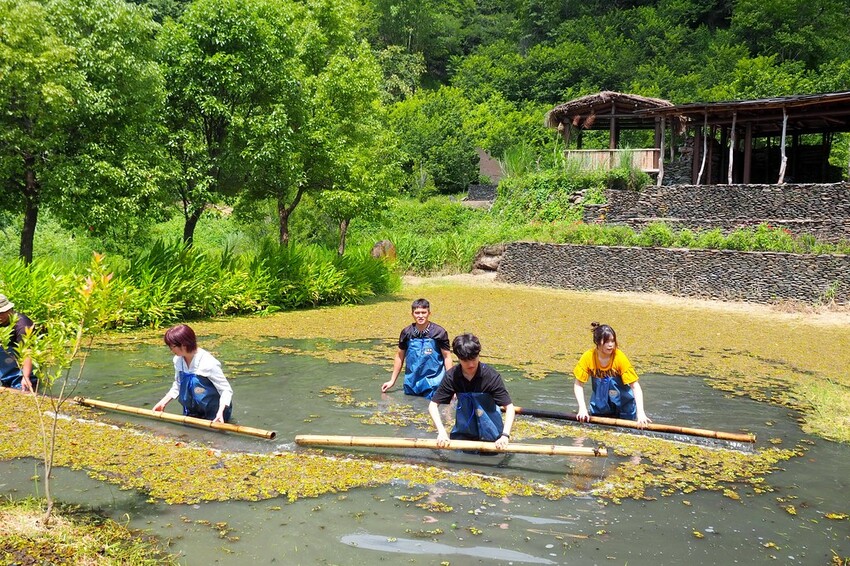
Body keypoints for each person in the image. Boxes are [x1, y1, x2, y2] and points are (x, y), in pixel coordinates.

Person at [428, 333, 515, 449]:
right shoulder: (452, 376)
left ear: (478, 354)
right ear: (458, 358)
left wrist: (505, 435)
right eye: (465, 360)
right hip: (463, 434)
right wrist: (442, 432)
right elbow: (433, 405)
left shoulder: (491, 376)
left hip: (493, 436)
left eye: (474, 359)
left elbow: (509, 407)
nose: (471, 364)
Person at [573, 322, 650, 426]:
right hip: (600, 407)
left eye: (612, 341)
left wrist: (641, 413)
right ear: (597, 342)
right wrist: (582, 408)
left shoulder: (619, 357)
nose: (610, 345)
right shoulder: (588, 357)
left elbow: (635, 386)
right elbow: (578, 384)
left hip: (624, 406)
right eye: (606, 341)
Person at [153, 324, 233, 423]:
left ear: (184, 344)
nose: (171, 350)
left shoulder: (208, 362)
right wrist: (163, 403)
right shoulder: (178, 360)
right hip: (192, 410)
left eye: (172, 346)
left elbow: (226, 390)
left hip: (214, 413)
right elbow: (178, 384)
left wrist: (220, 412)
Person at [381, 298, 452, 399]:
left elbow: (447, 357)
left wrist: (450, 384)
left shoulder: (439, 332)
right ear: (412, 314)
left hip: (434, 383)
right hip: (411, 383)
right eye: (417, 313)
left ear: (429, 313)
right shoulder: (406, 333)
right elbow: (399, 357)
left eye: (424, 312)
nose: (420, 316)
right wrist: (392, 381)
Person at [0, 294, 37, 393]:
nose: (0, 316)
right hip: (4, 364)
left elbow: (28, 352)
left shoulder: (23, 325)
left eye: (2, 313)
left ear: (10, 309)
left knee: (23, 387)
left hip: (20, 362)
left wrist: (26, 377)